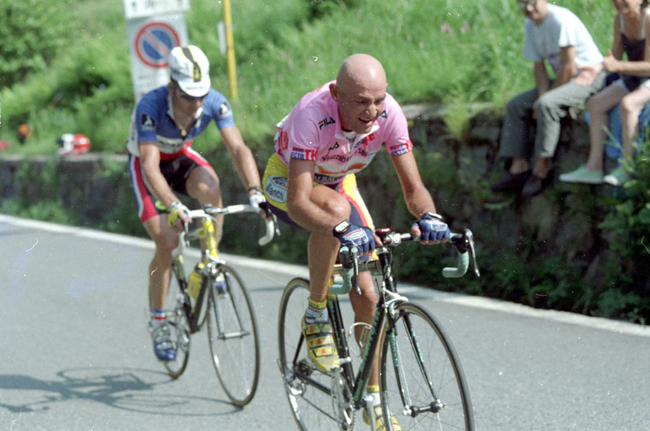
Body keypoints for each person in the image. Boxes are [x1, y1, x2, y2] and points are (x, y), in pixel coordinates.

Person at [262, 53, 449, 430]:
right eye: (361, 101)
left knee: (368, 295)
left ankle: (373, 404)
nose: (373, 111)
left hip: (340, 183)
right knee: (334, 211)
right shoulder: (311, 114)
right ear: (336, 93)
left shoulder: (390, 114)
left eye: (379, 99)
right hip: (288, 183)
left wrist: (430, 216)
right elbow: (299, 202)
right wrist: (342, 228)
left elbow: (414, 190)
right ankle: (315, 315)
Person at [126, 45, 268, 362]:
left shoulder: (215, 102)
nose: (197, 103)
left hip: (179, 158)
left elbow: (239, 149)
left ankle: (210, 262)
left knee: (210, 186)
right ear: (172, 87)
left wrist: (255, 191)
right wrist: (173, 204)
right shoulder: (150, 105)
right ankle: (159, 320)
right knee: (167, 240)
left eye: (201, 94)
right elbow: (150, 167)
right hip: (147, 167)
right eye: (189, 96)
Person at [491, 0, 606, 197]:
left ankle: (541, 168)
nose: (528, 8)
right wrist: (542, 95)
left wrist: (545, 98)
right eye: (522, 4)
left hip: (588, 77)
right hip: (565, 78)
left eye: (532, 2)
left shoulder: (560, 20)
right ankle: (518, 167)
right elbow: (539, 67)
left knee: (547, 105)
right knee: (516, 105)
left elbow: (569, 67)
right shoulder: (530, 25)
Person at [560, 0, 650, 187]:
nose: (618, 1)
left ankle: (626, 168)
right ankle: (593, 167)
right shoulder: (620, 19)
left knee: (629, 104)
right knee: (595, 104)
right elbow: (614, 58)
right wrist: (596, 68)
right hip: (633, 76)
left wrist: (619, 66)